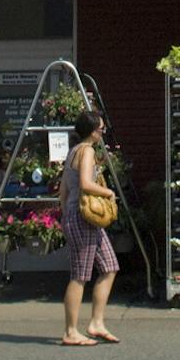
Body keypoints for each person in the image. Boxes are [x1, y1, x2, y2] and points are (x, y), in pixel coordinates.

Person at [58, 112, 122, 346]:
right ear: (93, 130)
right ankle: (71, 331)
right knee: (80, 275)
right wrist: (108, 192)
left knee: (110, 267)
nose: (102, 132)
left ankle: (96, 323)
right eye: (101, 129)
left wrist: (66, 215)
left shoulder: (73, 151)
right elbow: (85, 183)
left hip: (79, 217)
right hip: (84, 218)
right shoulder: (86, 151)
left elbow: (63, 191)